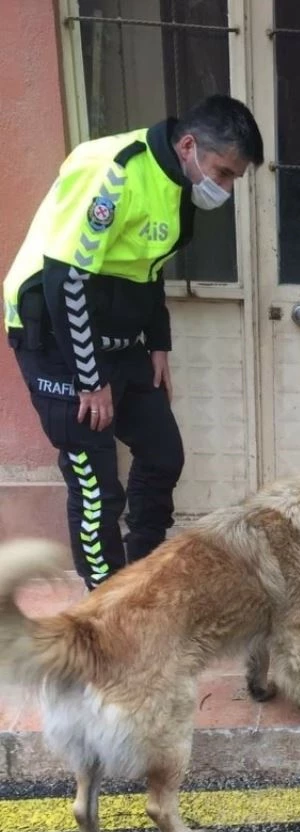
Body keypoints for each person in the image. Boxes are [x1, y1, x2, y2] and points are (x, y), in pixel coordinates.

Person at [3, 95, 263, 589]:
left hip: (118, 338)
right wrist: (90, 378)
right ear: (189, 145)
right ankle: (107, 607)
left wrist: (158, 346)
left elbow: (146, 268)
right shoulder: (113, 170)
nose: (225, 188)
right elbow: (66, 277)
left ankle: (142, 576)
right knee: (97, 486)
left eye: (234, 178)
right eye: (225, 172)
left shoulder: (177, 183)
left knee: (163, 453)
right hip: (57, 339)